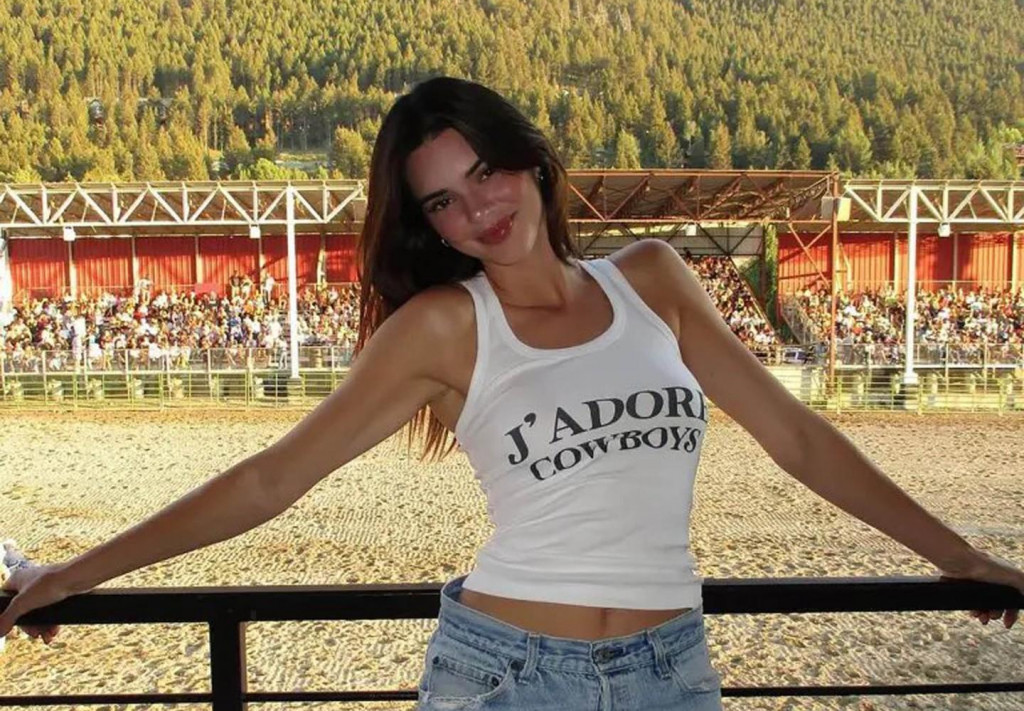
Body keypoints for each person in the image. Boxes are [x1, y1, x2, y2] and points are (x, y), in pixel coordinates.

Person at [1, 77, 1022, 710]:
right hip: (509, 676)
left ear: (530, 160)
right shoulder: (444, 326)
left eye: (486, 171)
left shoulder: (654, 279)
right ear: (431, 227)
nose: (478, 208)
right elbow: (272, 480)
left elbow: (796, 437)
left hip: (672, 669)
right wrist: (73, 575)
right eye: (444, 201)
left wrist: (958, 556)